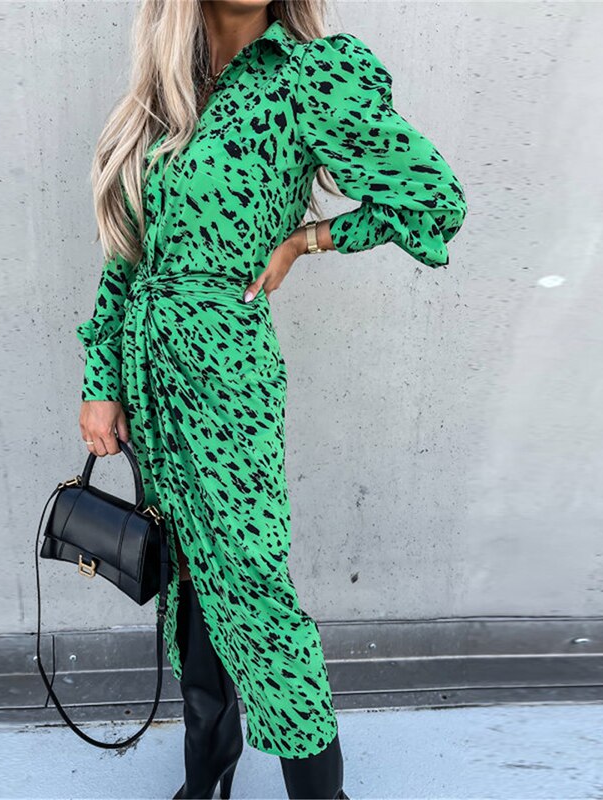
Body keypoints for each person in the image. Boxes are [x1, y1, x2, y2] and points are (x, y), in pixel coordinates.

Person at [76, 0, 467, 797]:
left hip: (227, 372)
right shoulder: (168, 90)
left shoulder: (311, 74)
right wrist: (101, 383)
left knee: (253, 583)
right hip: (148, 373)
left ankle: (320, 793)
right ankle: (208, 770)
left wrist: (308, 238)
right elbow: (128, 253)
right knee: (186, 574)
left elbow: (435, 200)